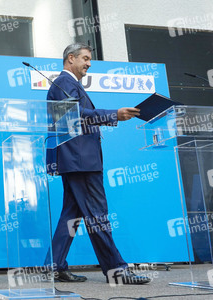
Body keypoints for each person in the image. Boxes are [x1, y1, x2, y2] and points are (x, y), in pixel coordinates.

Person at [46, 43, 150, 284]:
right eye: (85, 58)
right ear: (70, 59)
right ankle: (117, 271)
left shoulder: (70, 84)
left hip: (79, 160)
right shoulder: (63, 83)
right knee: (97, 215)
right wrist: (114, 114)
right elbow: (76, 115)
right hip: (80, 161)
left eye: (89, 59)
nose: (89, 63)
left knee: (71, 215)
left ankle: (55, 266)